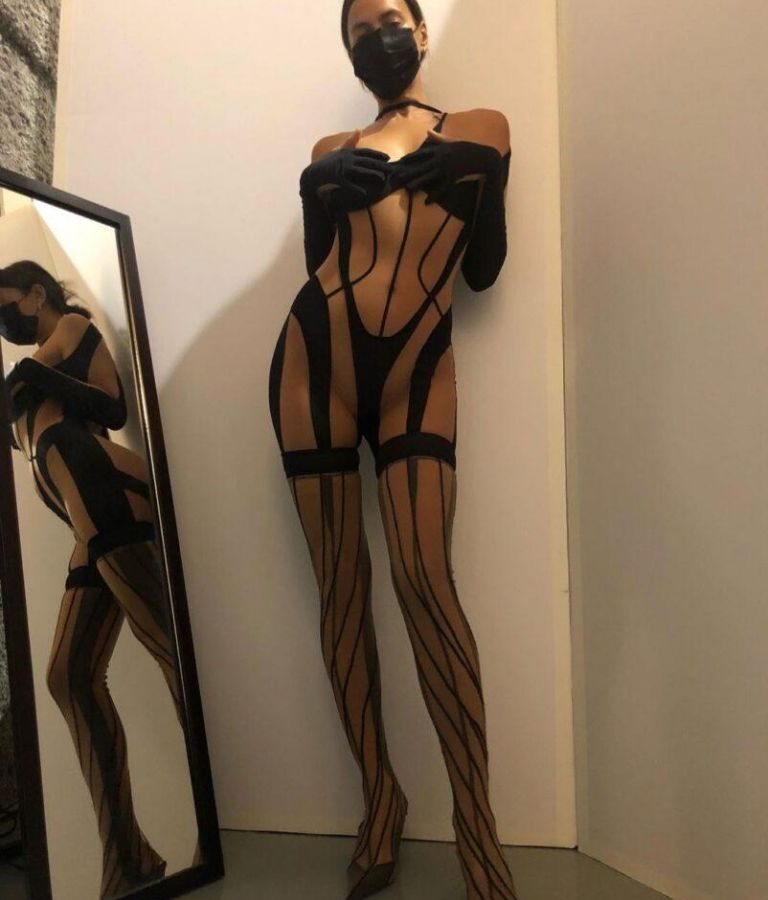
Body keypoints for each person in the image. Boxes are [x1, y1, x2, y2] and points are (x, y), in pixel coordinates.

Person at [268, 2, 517, 898]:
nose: (376, 35)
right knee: (340, 588)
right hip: (314, 362)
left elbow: (481, 270)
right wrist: (317, 185)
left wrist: (477, 173)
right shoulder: (328, 147)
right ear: (350, 55)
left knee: (425, 584)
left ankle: (477, 829)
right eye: (358, 30)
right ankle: (380, 799)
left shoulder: (483, 126)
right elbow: (319, 263)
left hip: (420, 365)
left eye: (389, 18)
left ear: (419, 30)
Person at [0, 260, 193, 898]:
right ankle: (128, 858)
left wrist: (31, 374)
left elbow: (111, 406)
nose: (3, 318)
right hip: (84, 513)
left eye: (5, 302)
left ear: (37, 294)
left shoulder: (72, 328)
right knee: (69, 675)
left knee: (168, 649)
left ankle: (218, 817)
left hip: (104, 487)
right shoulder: (31, 364)